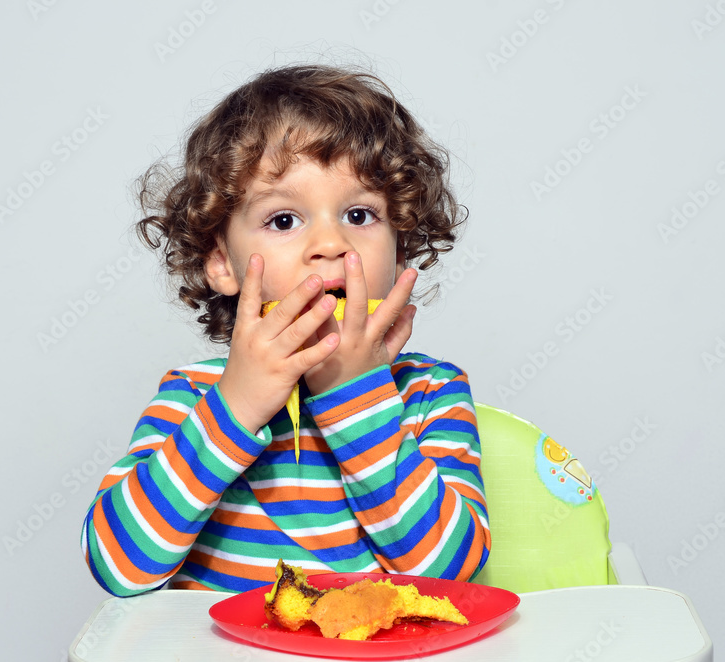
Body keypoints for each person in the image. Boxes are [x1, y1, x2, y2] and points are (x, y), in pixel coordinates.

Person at [81, 63, 490, 596]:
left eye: (361, 215)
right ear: (222, 262)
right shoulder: (195, 397)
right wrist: (238, 405)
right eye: (283, 220)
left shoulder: (430, 396)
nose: (330, 244)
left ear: (401, 248)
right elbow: (118, 566)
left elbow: (451, 573)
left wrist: (354, 395)